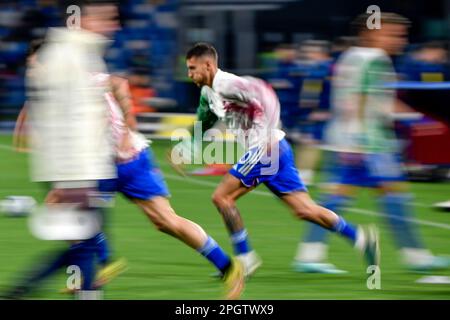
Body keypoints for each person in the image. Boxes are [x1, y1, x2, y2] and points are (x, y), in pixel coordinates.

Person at [181, 42, 380, 277]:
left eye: (193, 68)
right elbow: (205, 118)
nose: (189, 74)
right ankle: (361, 238)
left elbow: (265, 93)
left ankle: (246, 259)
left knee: (222, 197)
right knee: (304, 210)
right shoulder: (208, 92)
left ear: (208, 65)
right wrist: (190, 144)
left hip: (265, 148)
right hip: (277, 149)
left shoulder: (228, 84)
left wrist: (267, 134)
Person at [294, 12, 450, 274]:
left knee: (338, 200)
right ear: (371, 33)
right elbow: (362, 100)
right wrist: (416, 120)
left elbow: (369, 99)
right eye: (393, 34)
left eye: (401, 34)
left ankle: (308, 255)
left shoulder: (352, 56)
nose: (401, 40)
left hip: (350, 140)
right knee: (394, 198)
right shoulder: (375, 59)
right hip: (369, 144)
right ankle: (416, 257)